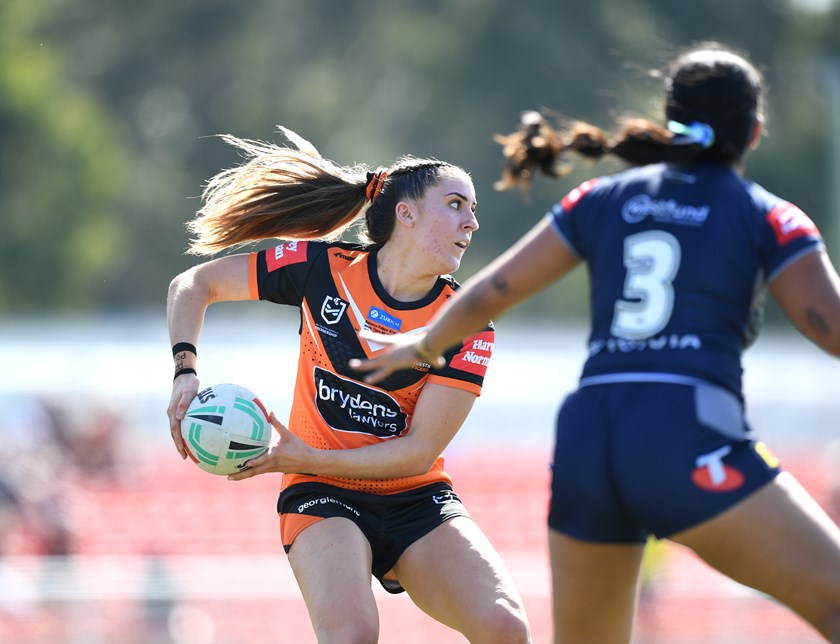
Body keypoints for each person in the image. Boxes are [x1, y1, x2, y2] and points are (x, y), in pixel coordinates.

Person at [350, 41, 840, 643]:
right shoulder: (769, 216)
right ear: (756, 131)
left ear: (669, 122)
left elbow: (491, 291)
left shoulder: (601, 198)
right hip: (684, 431)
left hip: (589, 441)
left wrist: (423, 344)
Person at [165, 127, 531, 644]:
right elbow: (194, 283)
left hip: (413, 497)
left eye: (471, 209)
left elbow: (417, 453)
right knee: (352, 636)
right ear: (405, 213)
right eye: (454, 204)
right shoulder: (321, 269)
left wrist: (304, 456)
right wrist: (185, 371)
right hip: (320, 494)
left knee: (506, 628)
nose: (471, 221)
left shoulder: (467, 322)